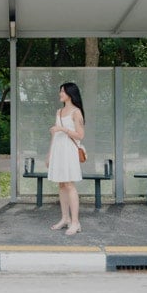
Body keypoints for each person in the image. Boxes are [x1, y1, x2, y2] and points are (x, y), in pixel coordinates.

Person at [46, 81, 85, 236]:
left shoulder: (76, 112)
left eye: (62, 91)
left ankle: (75, 222)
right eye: (60, 91)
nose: (60, 94)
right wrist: (49, 154)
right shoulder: (59, 112)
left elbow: (80, 135)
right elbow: (54, 135)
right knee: (61, 184)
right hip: (58, 149)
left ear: (70, 93)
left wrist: (62, 128)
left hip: (69, 150)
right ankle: (65, 218)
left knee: (69, 184)